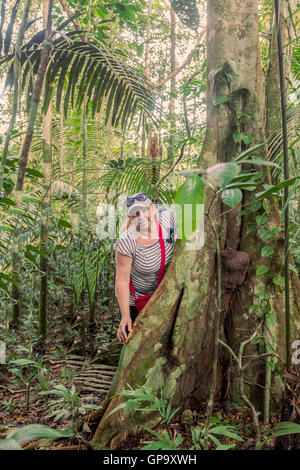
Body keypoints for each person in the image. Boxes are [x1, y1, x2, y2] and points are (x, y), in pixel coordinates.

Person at [114, 193, 177, 342]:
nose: (141, 217)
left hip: (165, 295)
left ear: (153, 209)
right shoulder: (126, 241)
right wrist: (125, 317)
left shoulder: (169, 218)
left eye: (144, 210)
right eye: (135, 214)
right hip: (138, 301)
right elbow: (122, 280)